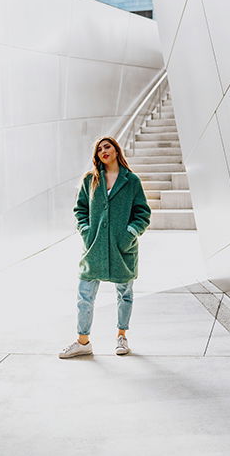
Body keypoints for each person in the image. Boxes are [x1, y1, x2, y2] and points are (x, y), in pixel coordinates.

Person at [59, 136, 151, 359]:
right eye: (99, 149)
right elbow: (80, 210)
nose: (103, 151)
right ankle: (83, 342)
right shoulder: (90, 180)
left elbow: (143, 214)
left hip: (122, 250)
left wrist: (130, 233)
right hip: (95, 248)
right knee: (84, 296)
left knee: (124, 295)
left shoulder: (132, 181)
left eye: (107, 146)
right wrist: (86, 231)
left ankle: (121, 336)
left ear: (116, 150)